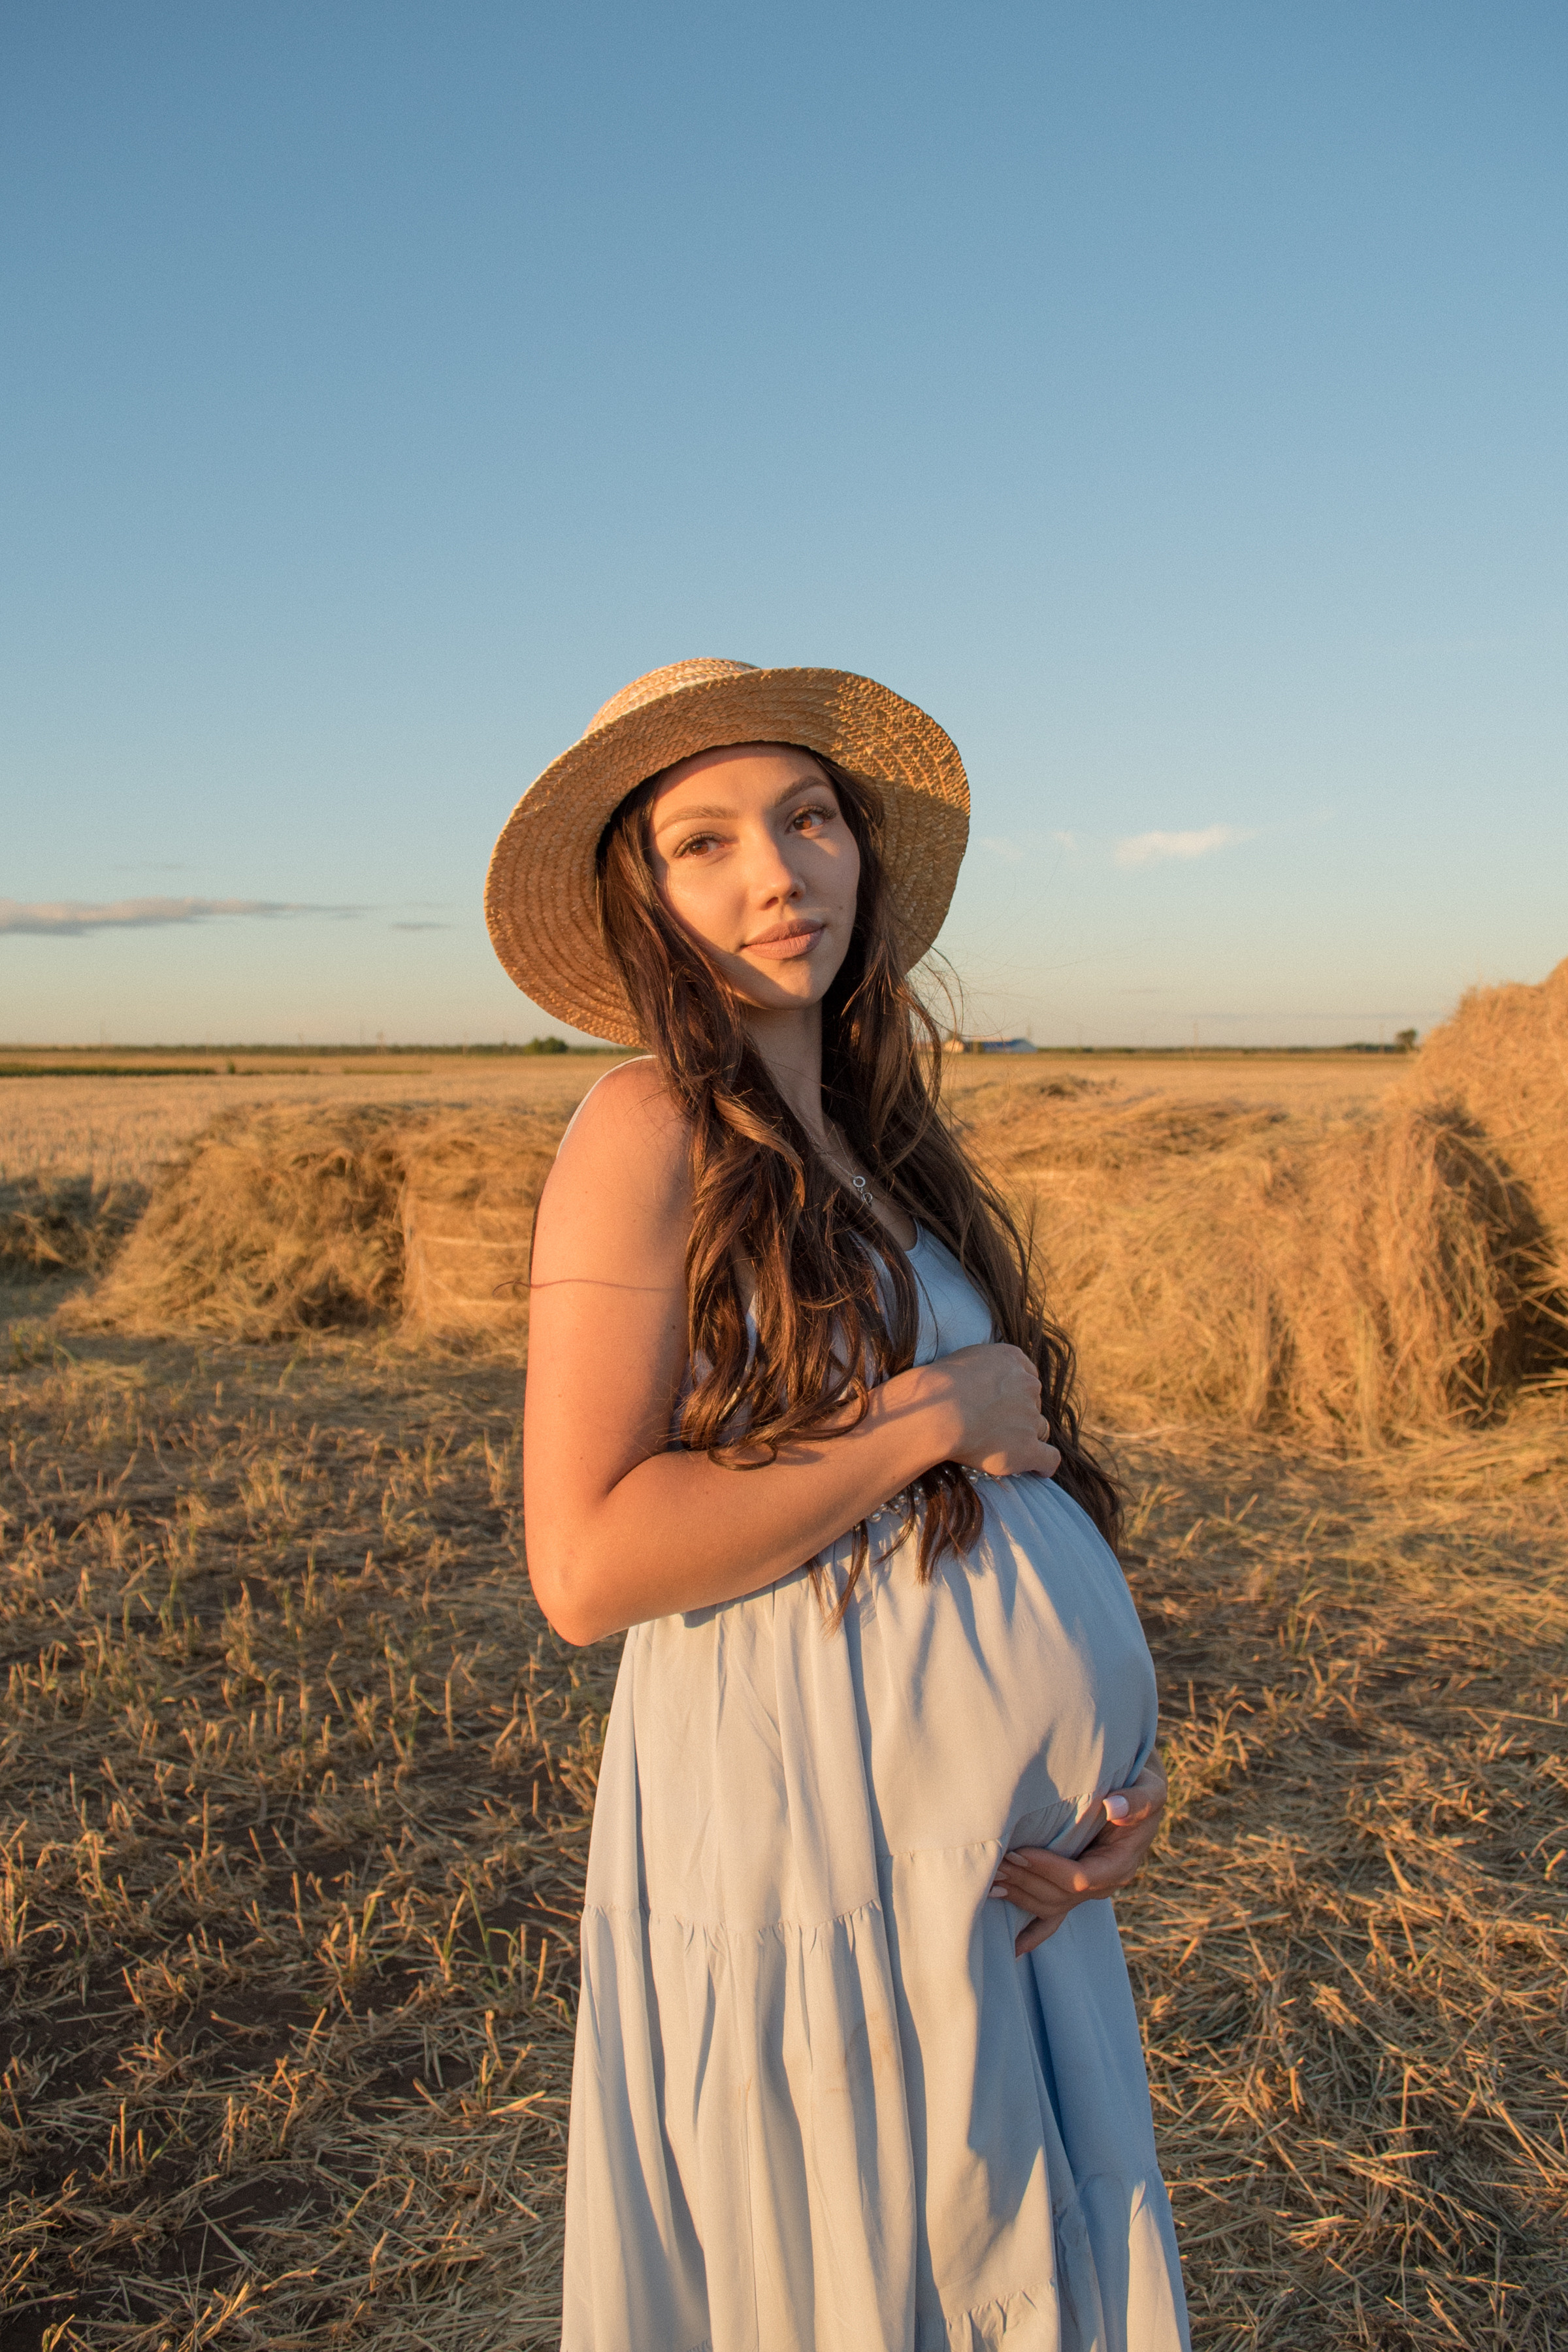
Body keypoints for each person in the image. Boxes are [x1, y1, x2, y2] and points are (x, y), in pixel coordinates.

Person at [485, 659, 1190, 2352]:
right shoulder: (645, 1123)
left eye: (806, 819)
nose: (775, 874)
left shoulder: (883, 1139)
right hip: (817, 1851)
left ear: (861, 850)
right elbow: (584, 1565)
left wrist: (1109, 1777)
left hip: (988, 1878)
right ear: (642, 897)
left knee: (1007, 2273)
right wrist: (931, 1411)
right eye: (704, 842)